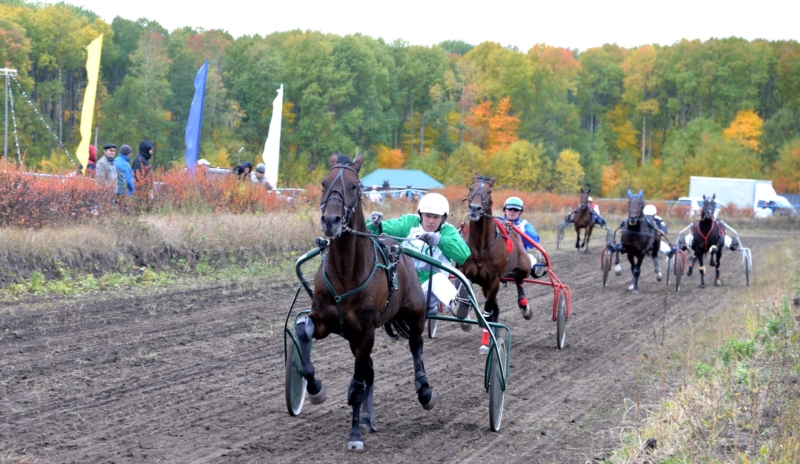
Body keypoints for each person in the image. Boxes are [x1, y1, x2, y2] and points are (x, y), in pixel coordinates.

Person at [366, 192, 471, 317]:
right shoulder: (408, 223)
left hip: (428, 288)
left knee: (437, 279)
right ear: (420, 214)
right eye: (428, 216)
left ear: (443, 218)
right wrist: (373, 224)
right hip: (403, 286)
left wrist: (440, 241)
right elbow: (381, 230)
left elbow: (463, 255)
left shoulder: (448, 231)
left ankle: (457, 306)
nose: (431, 221)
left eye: (436, 217)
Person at [502, 197, 546, 278]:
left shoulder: (524, 225)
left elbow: (534, 243)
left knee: (529, 260)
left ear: (520, 212)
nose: (512, 211)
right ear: (505, 210)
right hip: (499, 255)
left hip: (520, 257)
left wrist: (522, 231)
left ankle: (537, 268)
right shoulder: (496, 222)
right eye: (510, 209)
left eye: (516, 210)